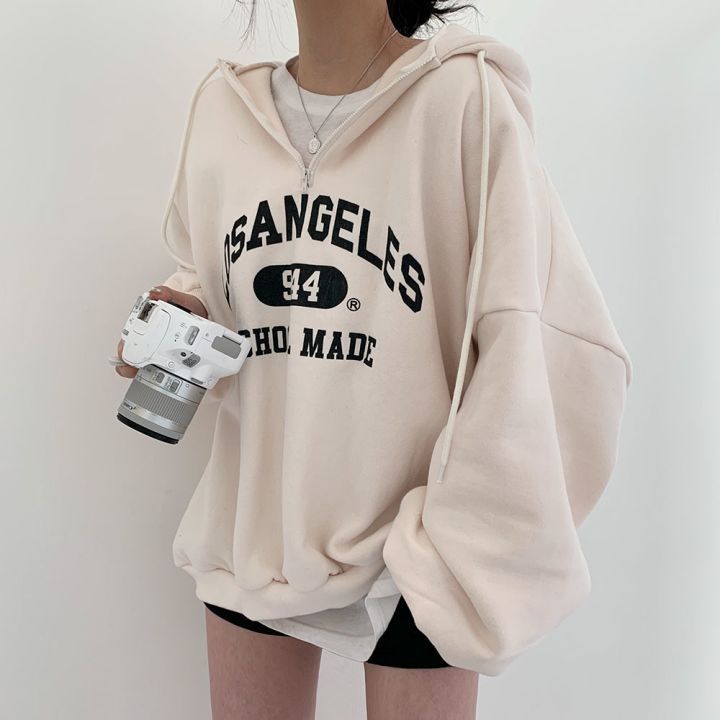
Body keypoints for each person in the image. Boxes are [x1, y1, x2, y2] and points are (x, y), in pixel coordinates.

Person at [114, 2, 633, 718]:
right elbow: (211, 264)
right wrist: (187, 312)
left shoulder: (463, 99)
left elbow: (542, 345)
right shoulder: (223, 110)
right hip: (252, 534)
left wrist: (460, 550)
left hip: (414, 561)